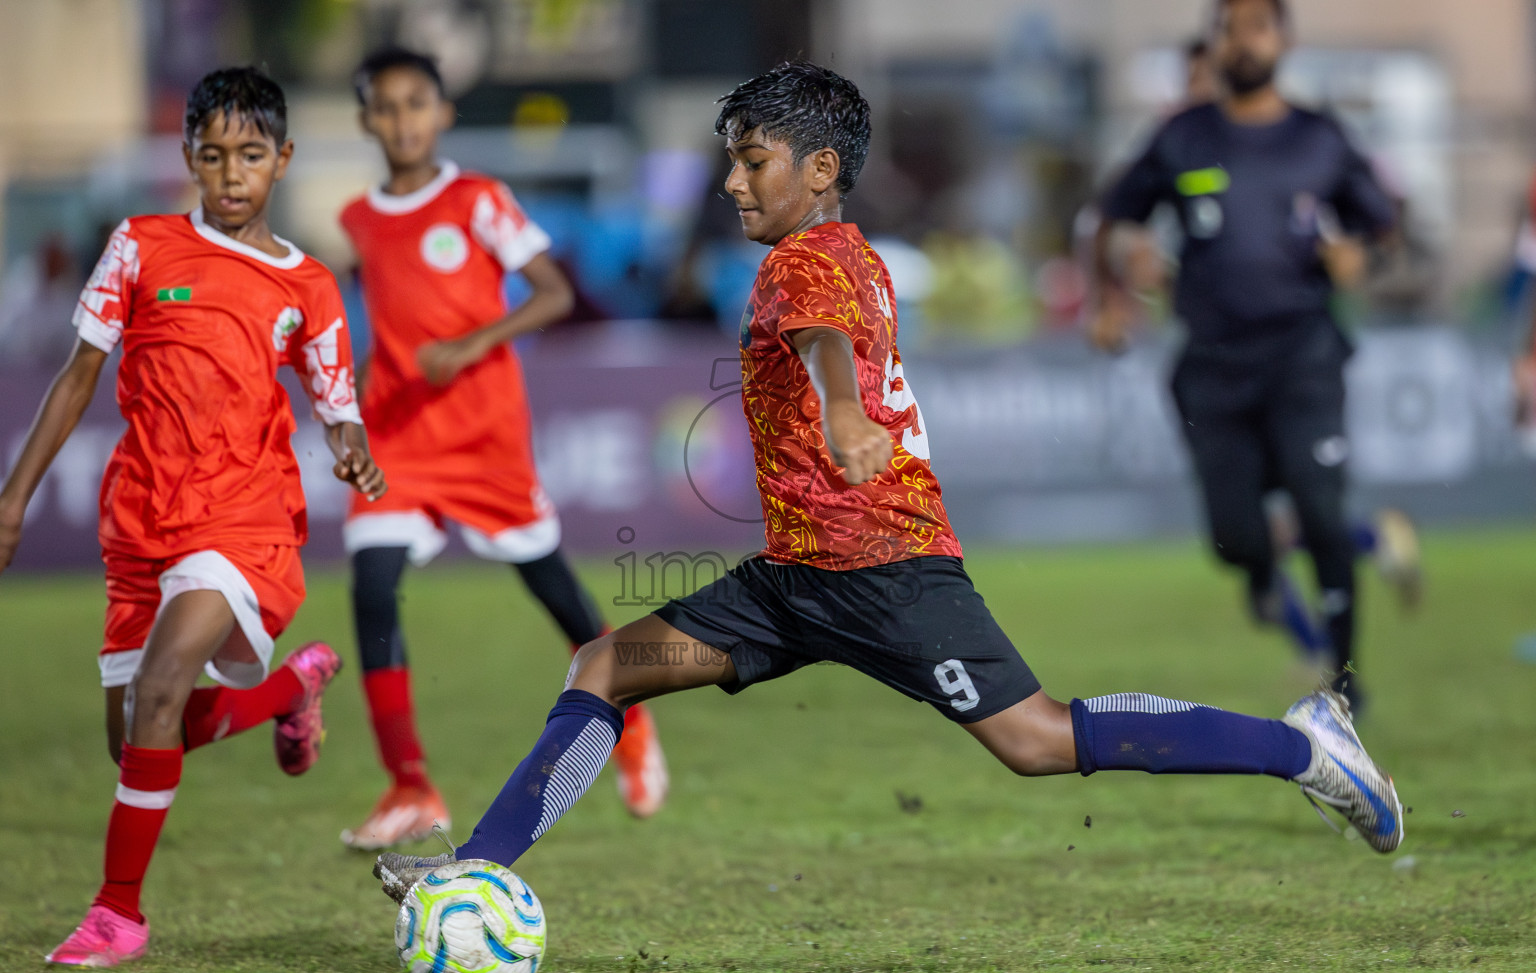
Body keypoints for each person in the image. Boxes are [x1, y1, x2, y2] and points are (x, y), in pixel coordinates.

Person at [373, 61, 1402, 903]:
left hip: (887, 570)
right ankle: (474, 874)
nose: (733, 183)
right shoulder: (842, 248)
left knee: (1038, 740)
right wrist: (839, 409)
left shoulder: (803, 263)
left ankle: (1298, 747)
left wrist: (843, 409)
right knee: (605, 662)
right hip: (796, 580)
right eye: (730, 161)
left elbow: (823, 342)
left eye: (752, 161)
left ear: (819, 169)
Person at [0, 67, 386, 967]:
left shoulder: (310, 286)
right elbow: (77, 377)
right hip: (139, 521)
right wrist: (13, 498)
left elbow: (337, 401)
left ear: (282, 160)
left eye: (250, 154)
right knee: (138, 728)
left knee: (164, 689)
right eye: (212, 156)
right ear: (188, 159)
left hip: (243, 518)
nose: (231, 174)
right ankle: (290, 690)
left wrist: (351, 445)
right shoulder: (138, 245)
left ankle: (116, 914)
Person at [337, 47, 667, 849]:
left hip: (485, 437)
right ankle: (410, 785)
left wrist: (470, 343)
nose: (404, 119)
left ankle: (634, 723)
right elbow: (391, 320)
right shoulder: (359, 218)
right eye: (387, 106)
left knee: (554, 591)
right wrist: (350, 397)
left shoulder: (478, 199)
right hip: (401, 437)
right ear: (366, 121)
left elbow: (553, 291)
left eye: (418, 102)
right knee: (372, 585)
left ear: (444, 113)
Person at [1089, 0, 1404, 715]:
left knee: (1320, 509)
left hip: (1303, 355)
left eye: (1259, 25)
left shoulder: (1320, 138)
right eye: (1231, 26)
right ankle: (1260, 568)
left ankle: (1346, 676)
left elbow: (1385, 228)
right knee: (1232, 540)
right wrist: (1114, 285)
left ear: (1283, 39)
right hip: (1213, 364)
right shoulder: (1183, 136)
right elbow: (1113, 213)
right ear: (1217, 41)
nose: (1244, 38)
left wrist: (1363, 255)